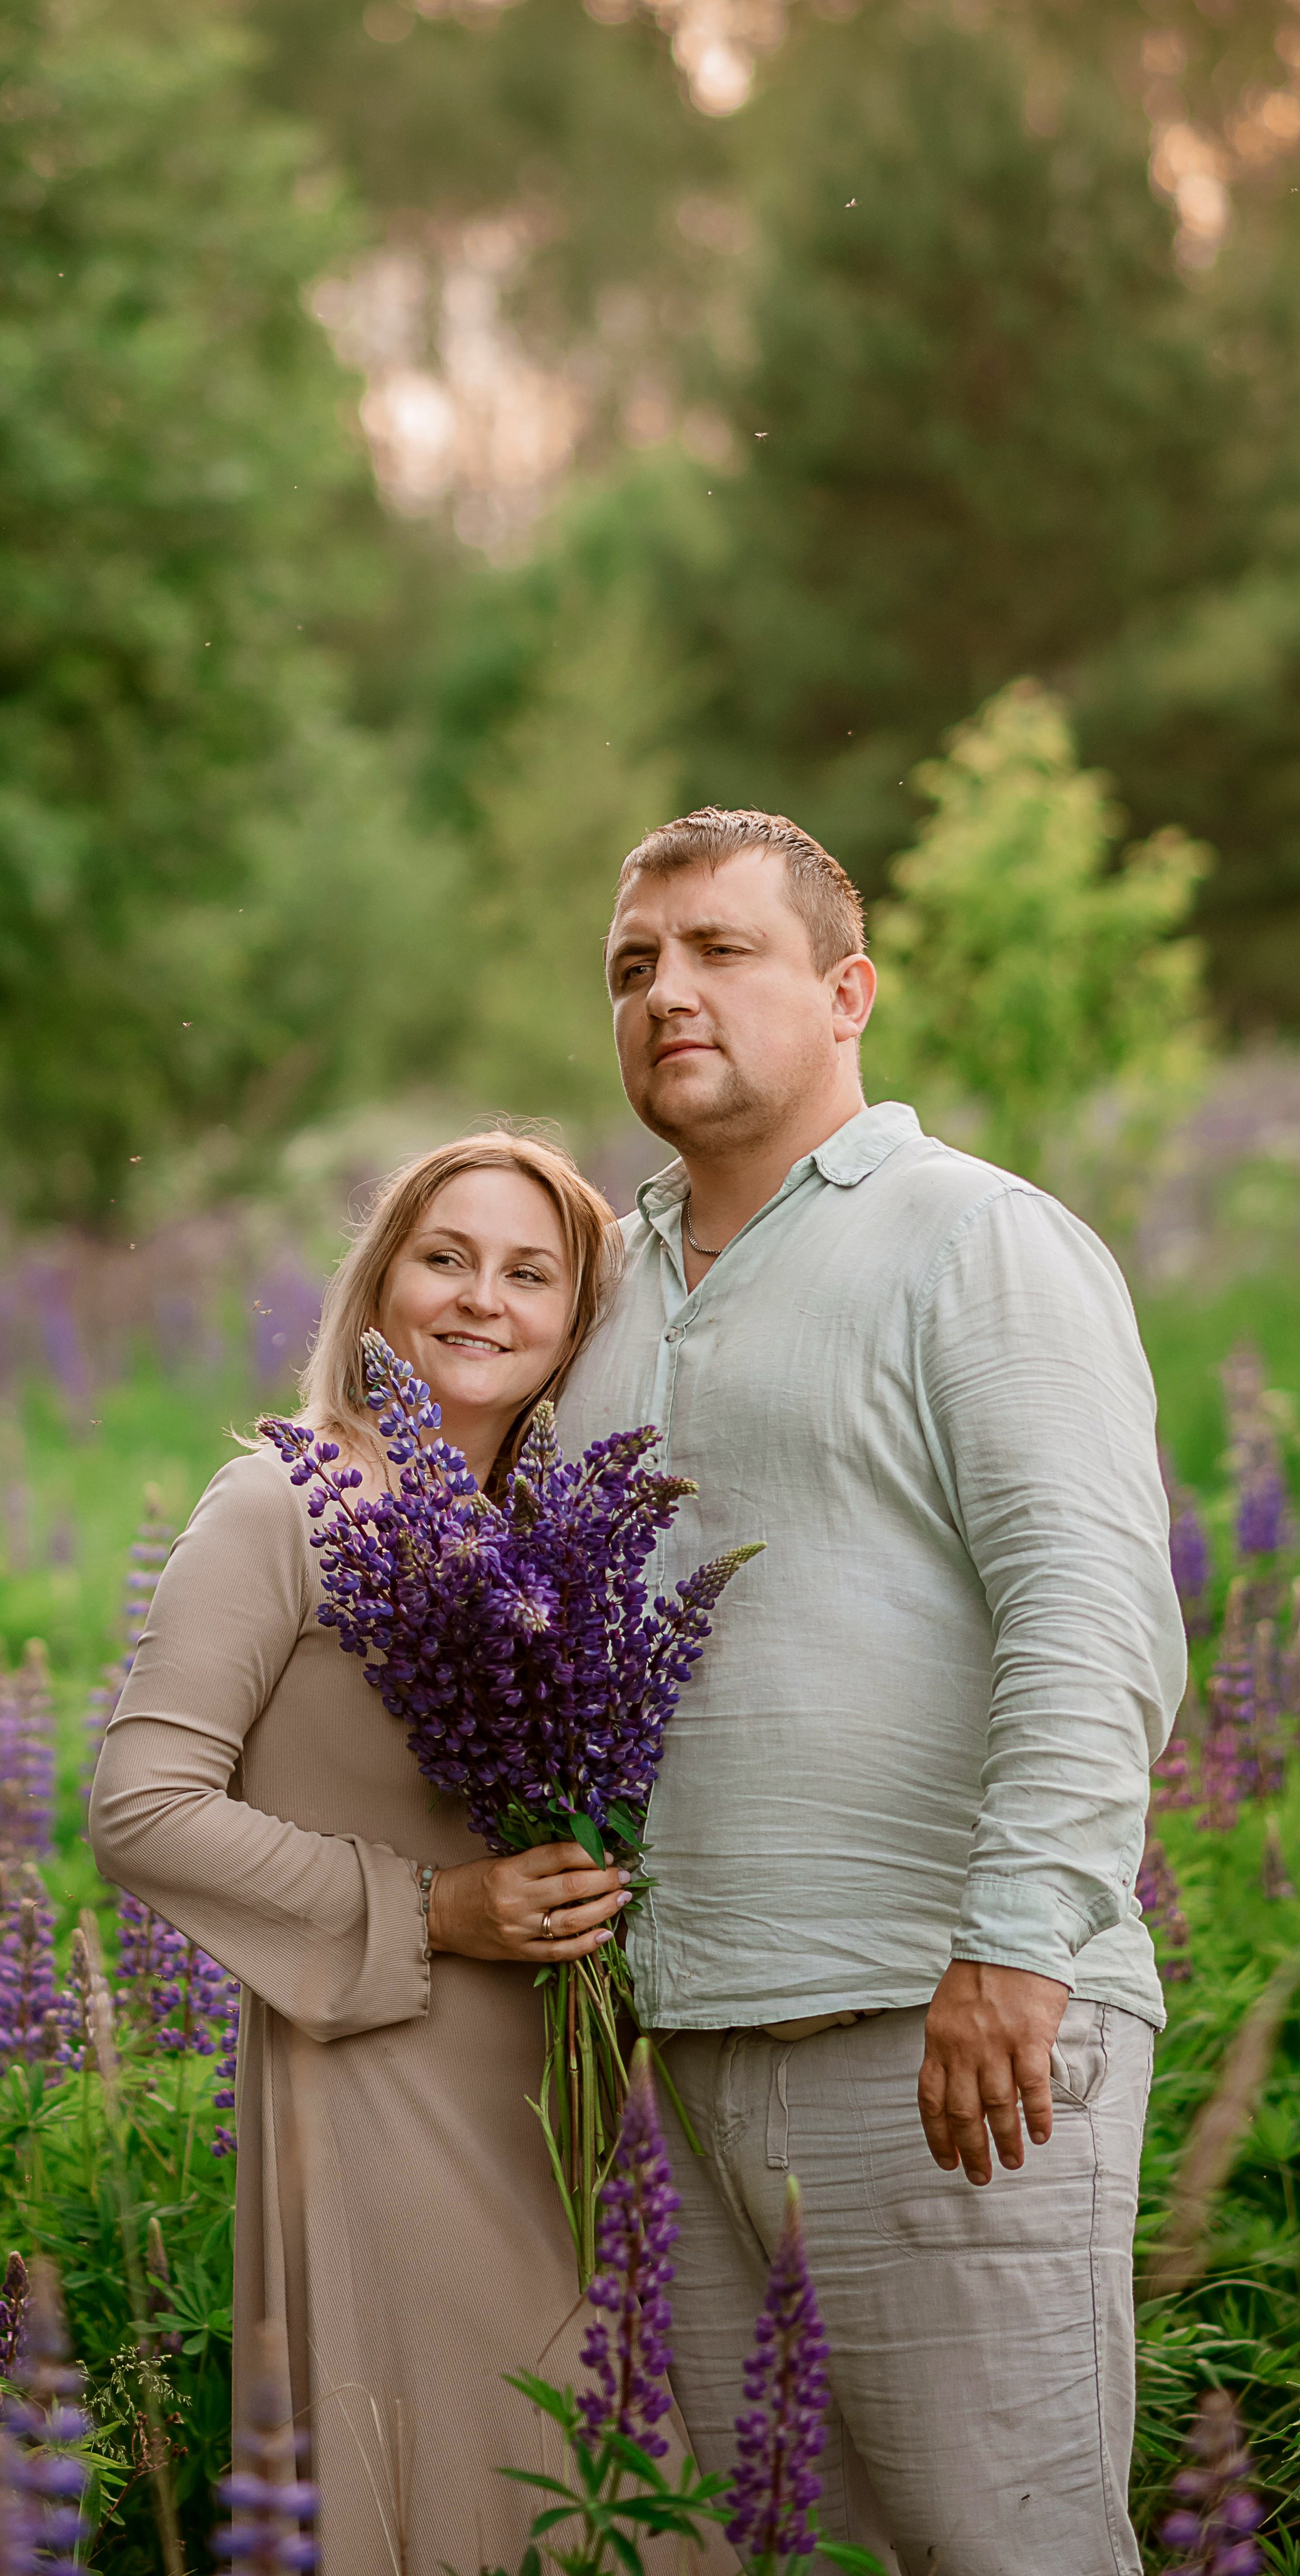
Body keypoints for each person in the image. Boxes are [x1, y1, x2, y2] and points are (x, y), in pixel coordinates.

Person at [556, 808, 1185, 2576]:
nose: (666, 990)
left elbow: (1092, 1604)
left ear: (849, 991)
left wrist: (1018, 1941)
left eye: (718, 950)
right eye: (632, 965)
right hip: (680, 2057)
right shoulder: (599, 1280)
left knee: (1010, 2547)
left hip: (947, 2028)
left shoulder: (969, 1237)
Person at [87, 1135, 718, 2575]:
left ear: (576, 1323)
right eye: (443, 1258)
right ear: (378, 1289)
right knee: (459, 2479)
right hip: (382, 2080)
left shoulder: (561, 1537)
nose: (479, 1299)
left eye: (527, 1273)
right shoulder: (282, 1503)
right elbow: (140, 1801)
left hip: (569, 2087)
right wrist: (429, 1908)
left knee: (614, 2491)